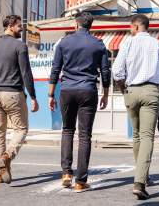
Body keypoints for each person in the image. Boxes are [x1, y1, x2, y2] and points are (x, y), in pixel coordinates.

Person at [112, 14, 159, 200]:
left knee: (138, 135)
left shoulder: (127, 44)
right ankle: (139, 182)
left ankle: (144, 176)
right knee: (147, 136)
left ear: (136, 27)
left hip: (131, 91)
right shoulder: (158, 45)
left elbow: (117, 71)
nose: (129, 30)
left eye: (130, 27)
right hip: (150, 92)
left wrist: (124, 90)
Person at [48, 11, 110, 193]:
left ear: (76, 24)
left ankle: (66, 173)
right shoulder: (98, 44)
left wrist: (51, 94)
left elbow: (55, 69)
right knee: (85, 135)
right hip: (88, 90)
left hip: (67, 90)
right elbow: (105, 71)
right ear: (90, 26)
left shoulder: (64, 42)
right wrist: (105, 93)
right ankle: (80, 181)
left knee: (67, 130)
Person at [0, 15, 39, 184]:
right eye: (18, 25)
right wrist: (33, 96)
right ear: (10, 26)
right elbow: (26, 73)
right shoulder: (19, 46)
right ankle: (7, 156)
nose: (21, 28)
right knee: (21, 129)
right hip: (13, 93)